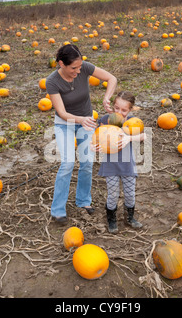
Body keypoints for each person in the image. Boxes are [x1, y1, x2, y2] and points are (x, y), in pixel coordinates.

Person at [46, 44, 117, 224]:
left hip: (86, 122)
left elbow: (111, 78)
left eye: (79, 67)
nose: (78, 71)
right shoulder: (52, 81)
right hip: (65, 124)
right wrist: (80, 120)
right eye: (73, 68)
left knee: (86, 162)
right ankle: (58, 210)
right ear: (61, 64)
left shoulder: (84, 67)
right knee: (68, 163)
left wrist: (106, 97)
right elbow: (62, 113)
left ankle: (83, 201)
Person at [92, 91, 145, 233]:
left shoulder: (132, 122)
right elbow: (95, 137)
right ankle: (112, 219)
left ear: (131, 109)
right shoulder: (105, 120)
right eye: (117, 108)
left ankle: (130, 218)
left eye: (124, 110)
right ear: (113, 106)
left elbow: (144, 135)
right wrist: (93, 147)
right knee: (113, 194)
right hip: (110, 165)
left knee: (130, 193)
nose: (119, 112)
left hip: (127, 165)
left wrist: (129, 138)